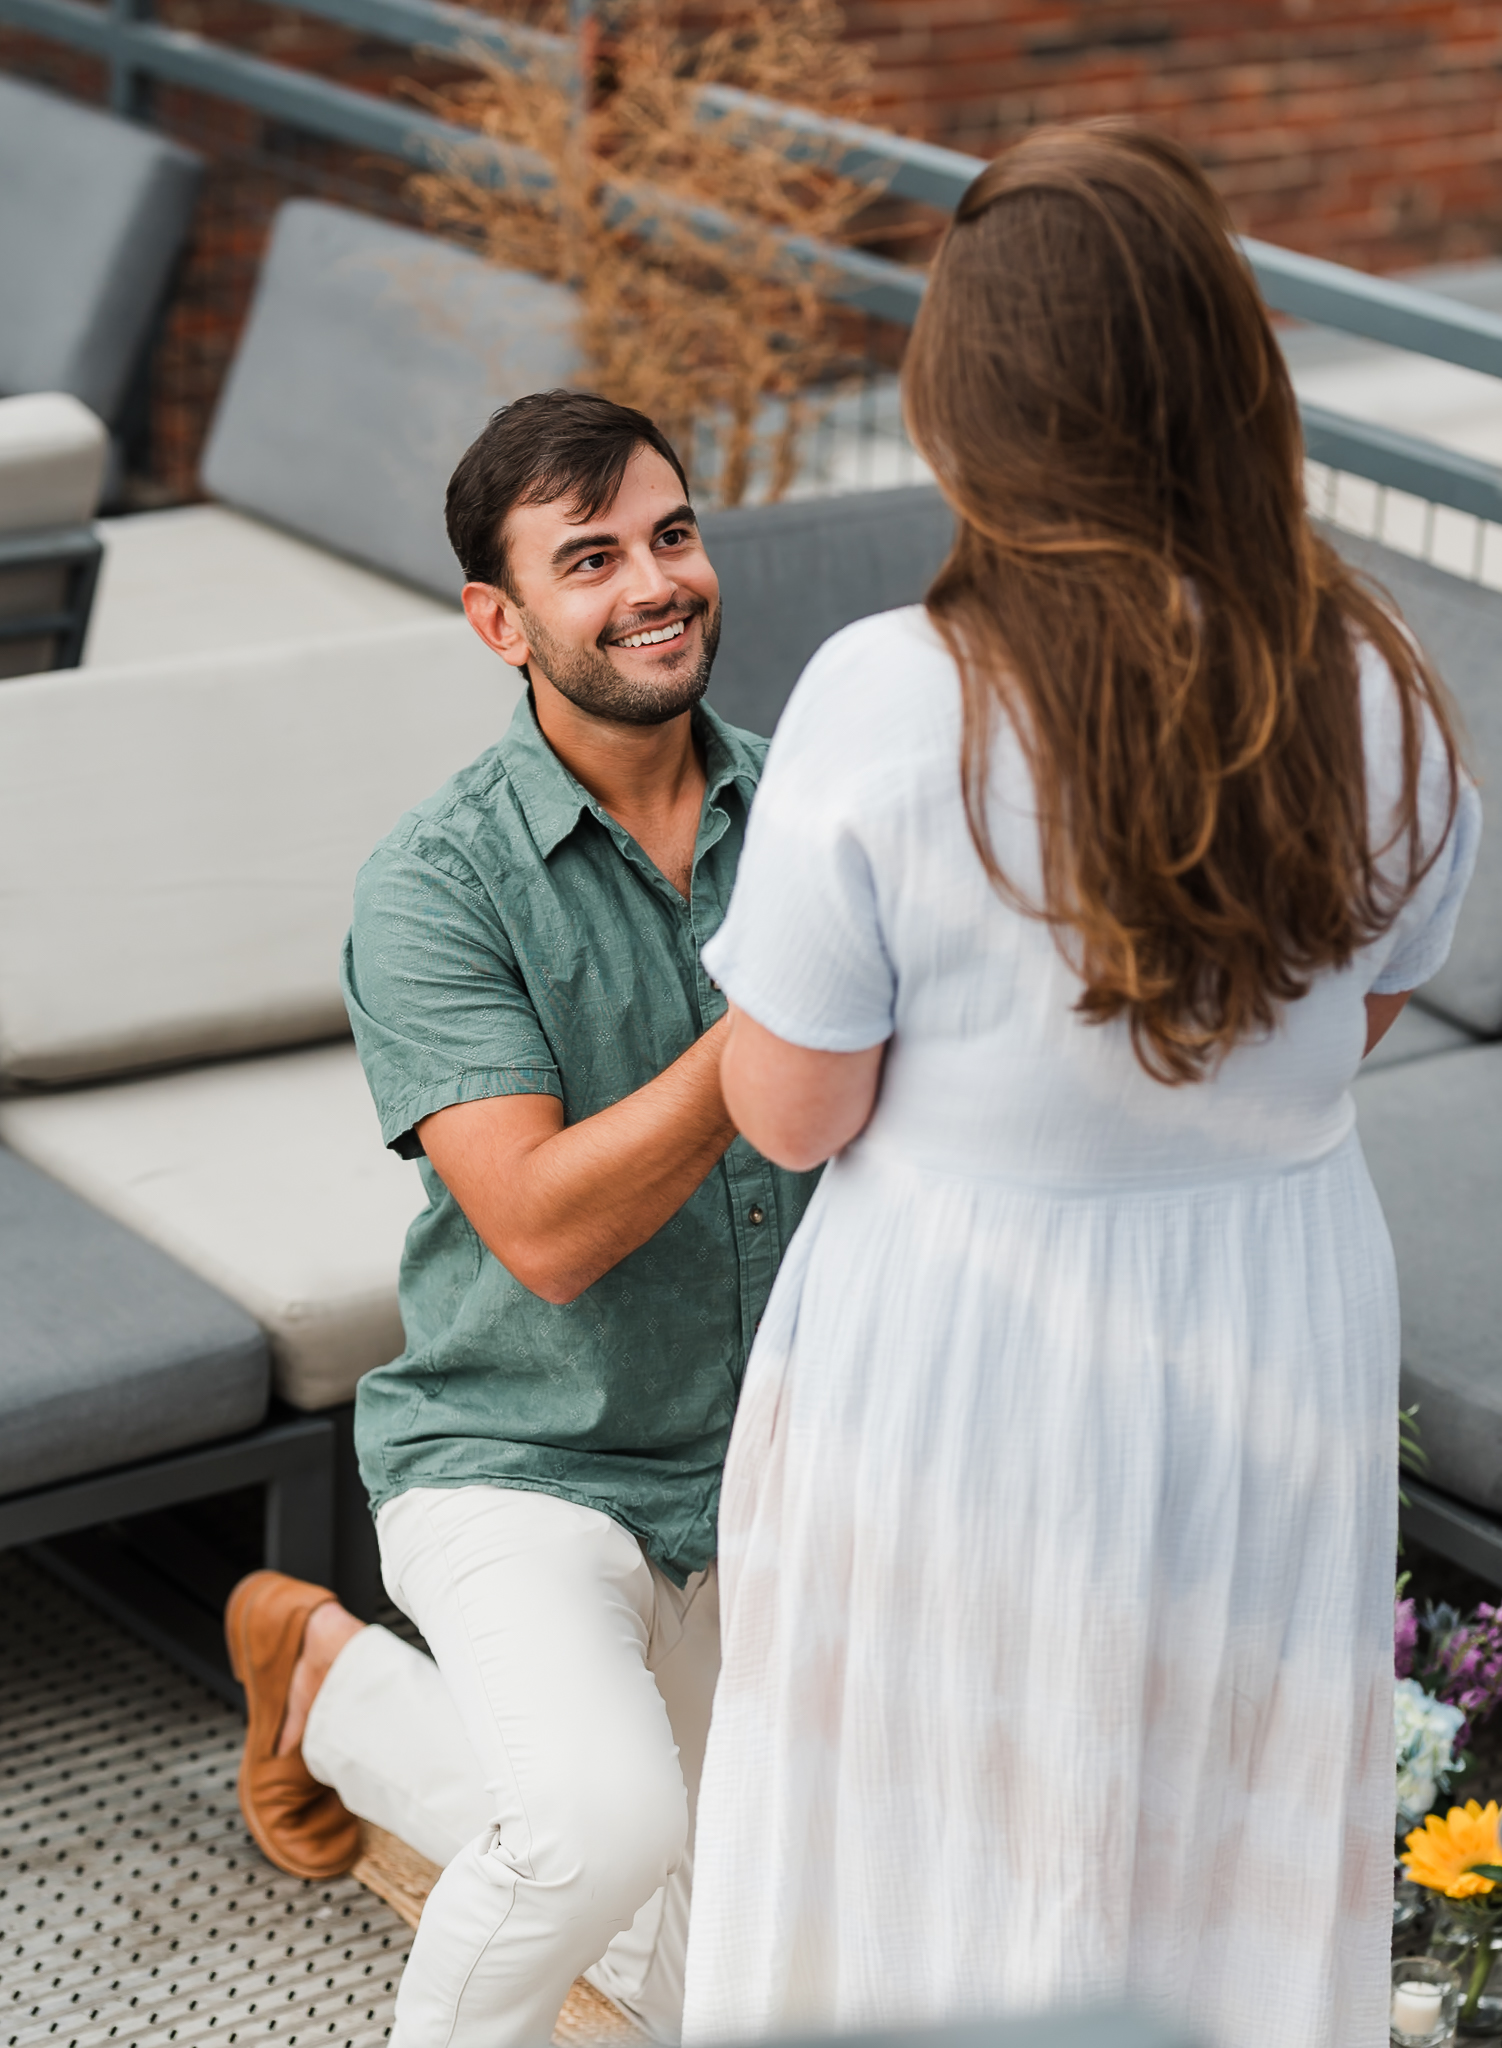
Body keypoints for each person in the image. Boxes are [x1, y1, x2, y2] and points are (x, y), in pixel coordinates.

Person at [679, 124, 1482, 2048]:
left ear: (966, 405)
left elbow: (789, 1113)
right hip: (1272, 1324)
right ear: (1232, 372)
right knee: (1213, 1825)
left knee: (914, 1842)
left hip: (964, 1344)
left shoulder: (893, 693)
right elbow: (1353, 1008)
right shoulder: (1375, 677)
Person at [224, 390, 818, 2048]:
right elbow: (545, 1231)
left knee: (738, 1985)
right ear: (499, 619)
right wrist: (773, 1013)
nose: (654, 582)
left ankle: (333, 1690)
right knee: (599, 1831)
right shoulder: (435, 882)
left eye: (672, 535)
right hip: (519, 1450)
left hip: (774, 1471)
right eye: (590, 558)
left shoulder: (818, 816)